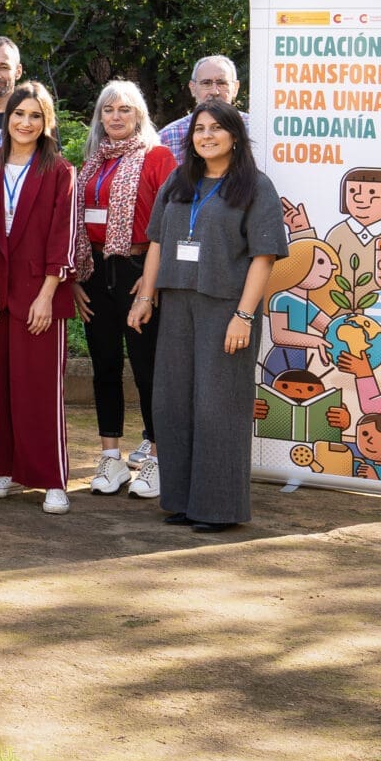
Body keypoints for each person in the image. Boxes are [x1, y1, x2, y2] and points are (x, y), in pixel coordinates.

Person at [128, 102, 287, 532]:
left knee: (218, 407)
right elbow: (158, 242)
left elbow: (264, 257)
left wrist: (244, 316)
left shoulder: (255, 186)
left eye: (217, 128)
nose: (206, 136)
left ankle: (218, 508)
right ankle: (181, 500)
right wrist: (145, 295)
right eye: (200, 129)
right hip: (177, 304)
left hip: (225, 309)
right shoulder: (180, 182)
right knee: (173, 403)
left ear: (235, 135)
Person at [0, 80, 78, 513]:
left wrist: (48, 294)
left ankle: (51, 478)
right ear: (7, 117)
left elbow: (63, 239)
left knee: (38, 389)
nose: (26, 122)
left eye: (35, 115)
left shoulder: (61, 171)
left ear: (46, 121)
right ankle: (5, 469)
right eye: (19, 114)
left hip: (39, 295)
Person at [75, 79, 178, 499]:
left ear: (140, 116)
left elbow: (169, 224)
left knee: (147, 367)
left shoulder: (158, 157)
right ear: (99, 116)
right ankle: (111, 459)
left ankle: (155, 457)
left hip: (139, 268)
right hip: (96, 270)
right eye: (108, 110)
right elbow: (76, 223)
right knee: (104, 366)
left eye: (125, 110)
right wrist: (78, 279)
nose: (116, 117)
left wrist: (149, 284)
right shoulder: (92, 162)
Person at [156, 55, 253, 166]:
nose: (214, 91)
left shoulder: (257, 130)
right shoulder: (168, 138)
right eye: (206, 83)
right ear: (192, 88)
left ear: (235, 88)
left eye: (222, 83)